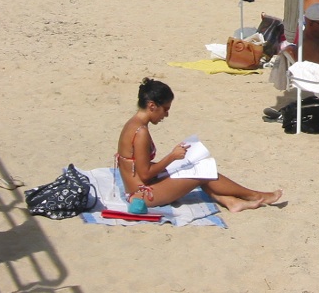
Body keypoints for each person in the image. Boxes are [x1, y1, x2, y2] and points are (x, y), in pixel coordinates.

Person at [117, 78, 281, 211]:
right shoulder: (141, 132)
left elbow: (137, 167)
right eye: (165, 109)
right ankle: (254, 195)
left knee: (197, 166)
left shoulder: (133, 124)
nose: (166, 115)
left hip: (136, 188)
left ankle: (232, 202)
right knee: (201, 172)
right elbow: (145, 174)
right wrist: (172, 157)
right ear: (152, 106)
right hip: (142, 194)